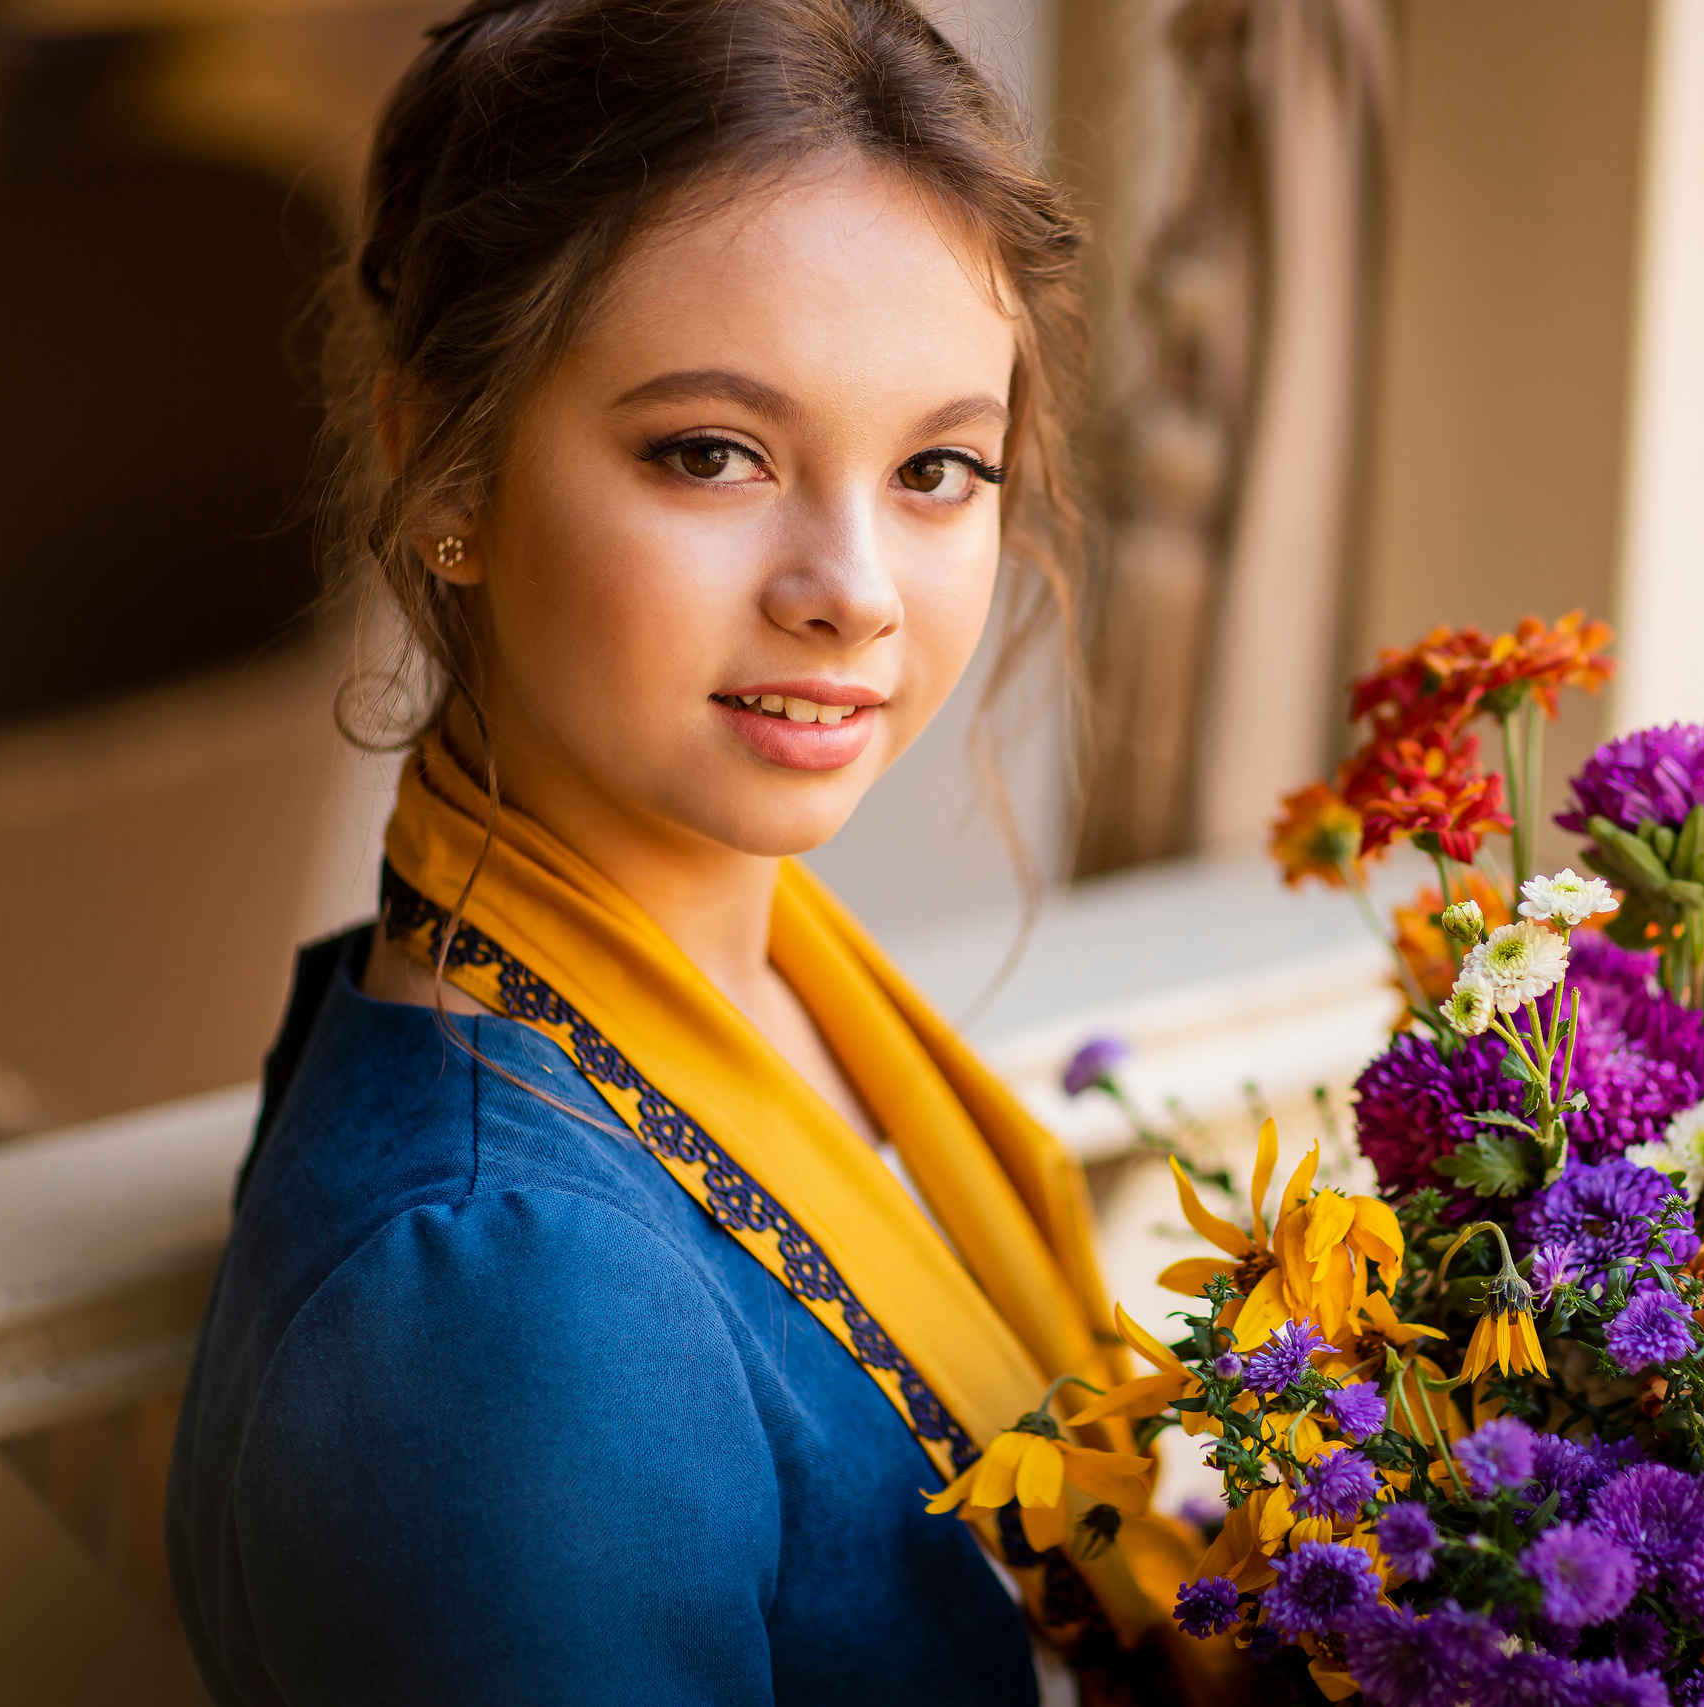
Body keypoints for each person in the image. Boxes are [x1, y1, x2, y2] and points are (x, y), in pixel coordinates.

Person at [164, 2, 1205, 1700]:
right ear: (444, 457)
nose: (852, 587)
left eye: (940, 465)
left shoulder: (783, 1001)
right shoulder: (502, 1296)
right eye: (711, 454)